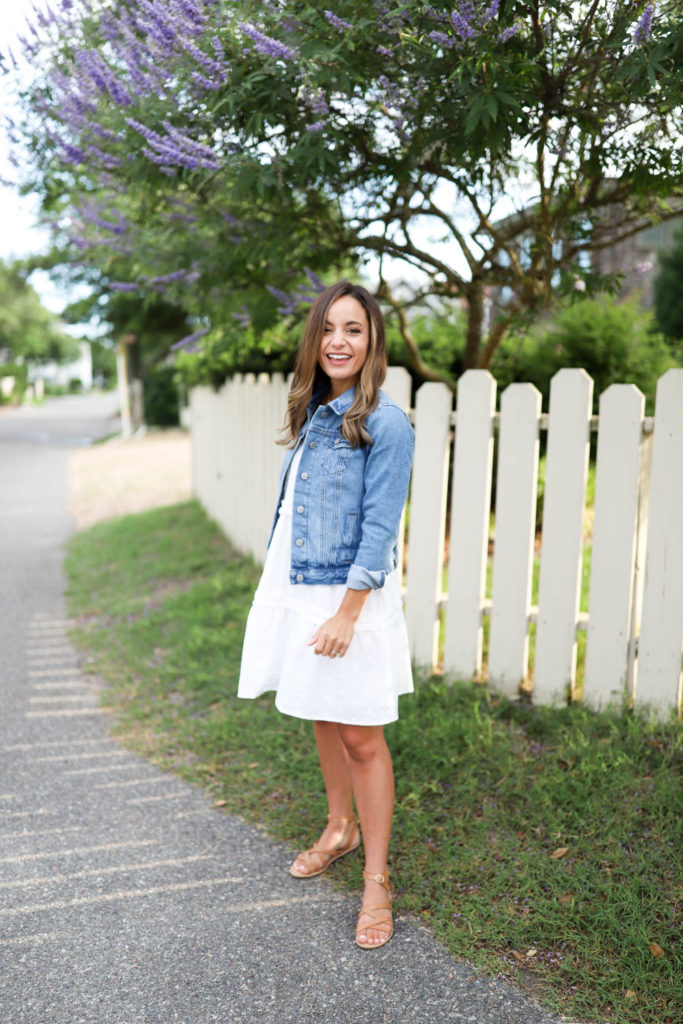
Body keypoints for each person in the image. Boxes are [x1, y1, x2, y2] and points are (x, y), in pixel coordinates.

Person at [238, 280, 415, 949]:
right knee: (321, 709)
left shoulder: (387, 423)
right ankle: (338, 827)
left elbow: (378, 529)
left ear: (371, 344)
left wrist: (346, 613)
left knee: (362, 736)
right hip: (299, 584)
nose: (339, 341)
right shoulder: (313, 410)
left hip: (348, 597)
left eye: (354, 330)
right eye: (328, 329)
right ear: (314, 340)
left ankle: (377, 879)